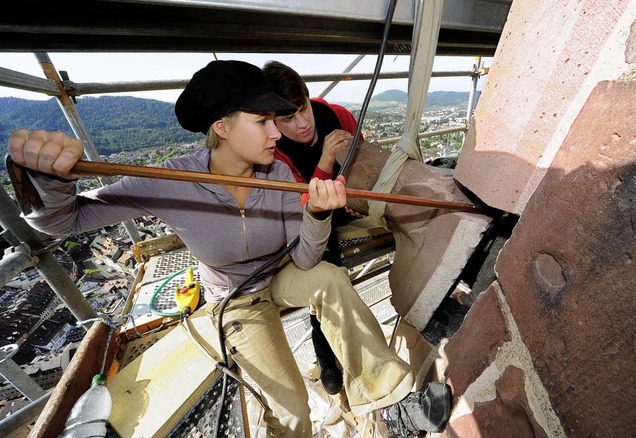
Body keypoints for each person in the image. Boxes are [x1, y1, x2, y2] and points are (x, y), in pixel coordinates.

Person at [8, 60, 451, 438]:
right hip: (236, 300)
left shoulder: (278, 175)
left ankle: (392, 401)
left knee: (330, 279)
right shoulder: (171, 181)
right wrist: (48, 180)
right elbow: (59, 222)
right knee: (292, 412)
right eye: (262, 122)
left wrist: (316, 214)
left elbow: (303, 260)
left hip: (281, 276)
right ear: (221, 126)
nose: (276, 132)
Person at [263, 60, 363, 396]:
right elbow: (301, 210)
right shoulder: (273, 155)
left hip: (350, 199)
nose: (302, 123)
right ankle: (327, 357)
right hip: (316, 219)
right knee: (325, 267)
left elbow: (362, 160)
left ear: (308, 97)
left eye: (302, 108)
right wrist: (323, 163)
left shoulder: (338, 116)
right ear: (272, 122)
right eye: (287, 119)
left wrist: (354, 195)